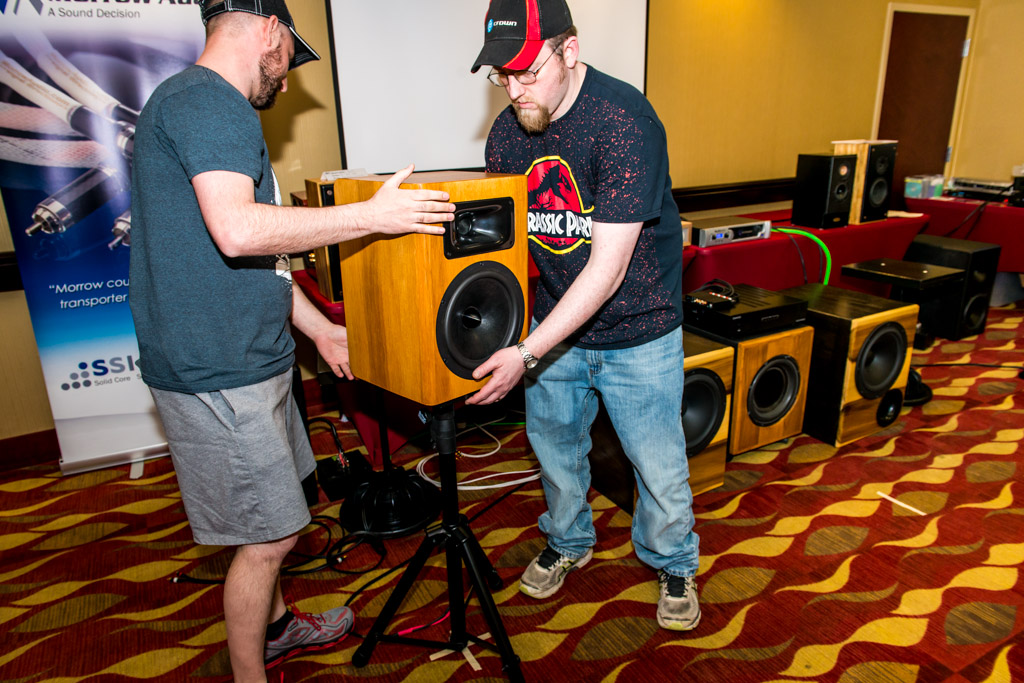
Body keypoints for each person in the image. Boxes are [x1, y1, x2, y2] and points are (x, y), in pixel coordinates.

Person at [128, 1, 455, 680]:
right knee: (271, 536)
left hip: (247, 357)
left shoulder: (195, 101)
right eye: (288, 59)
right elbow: (239, 231)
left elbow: (259, 256)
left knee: (263, 519)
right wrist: (371, 216)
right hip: (220, 369)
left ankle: (275, 627)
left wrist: (319, 328)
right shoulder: (209, 102)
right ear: (269, 29)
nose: (285, 77)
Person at [466, 0, 700, 631]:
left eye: (528, 72)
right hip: (556, 328)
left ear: (569, 50)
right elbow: (503, 246)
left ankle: (674, 561)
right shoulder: (506, 136)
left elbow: (608, 269)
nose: (515, 90)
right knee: (554, 450)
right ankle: (568, 540)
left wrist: (526, 352)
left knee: (657, 464)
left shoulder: (625, 121)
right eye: (503, 75)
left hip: (639, 327)